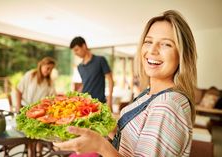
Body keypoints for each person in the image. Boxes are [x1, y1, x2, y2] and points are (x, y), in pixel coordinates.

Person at [53, 10, 197, 157]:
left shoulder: (167, 106)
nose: (152, 50)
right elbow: (130, 139)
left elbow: (109, 79)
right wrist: (105, 127)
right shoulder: (148, 94)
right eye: (148, 41)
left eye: (166, 44)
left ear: (182, 54)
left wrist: (100, 146)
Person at [70, 36, 114, 111]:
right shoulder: (79, 67)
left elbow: (110, 80)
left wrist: (110, 101)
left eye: (76, 50)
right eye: (74, 51)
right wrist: (75, 96)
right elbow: (85, 83)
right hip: (84, 104)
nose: (75, 53)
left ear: (84, 46)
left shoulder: (100, 60)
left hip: (99, 104)